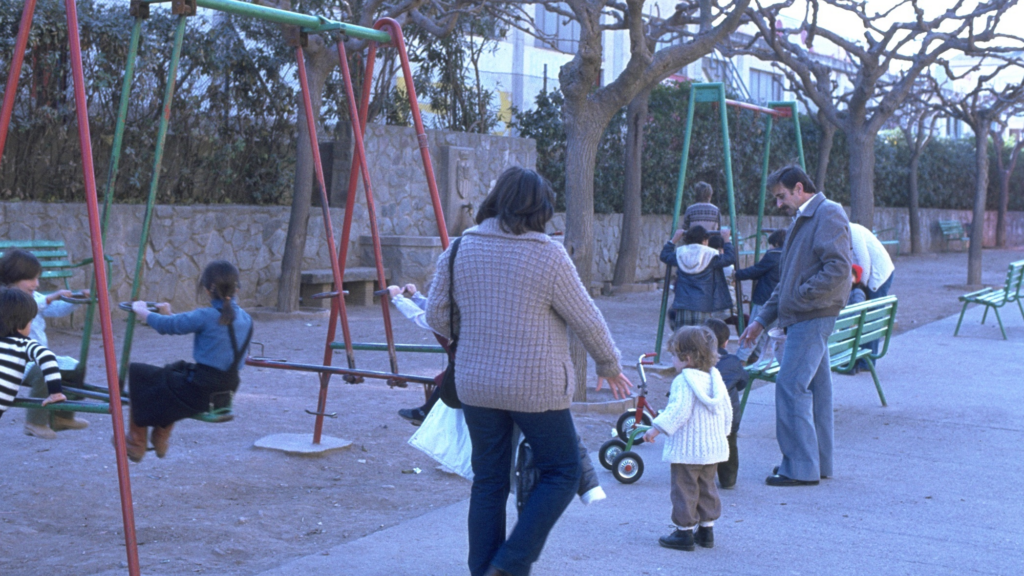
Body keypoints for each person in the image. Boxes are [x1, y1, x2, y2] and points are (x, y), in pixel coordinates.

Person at [425, 166, 631, 576]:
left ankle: (484, 569)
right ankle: (511, 561)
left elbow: (435, 314)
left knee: (489, 482)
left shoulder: (461, 247)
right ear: (541, 207)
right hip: (536, 386)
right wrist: (609, 364)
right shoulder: (548, 253)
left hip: (476, 384)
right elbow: (586, 318)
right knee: (563, 470)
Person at [389, 282, 607, 506]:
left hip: (485, 383)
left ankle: (566, 489)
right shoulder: (476, 310)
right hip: (514, 375)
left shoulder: (453, 320)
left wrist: (399, 299)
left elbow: (424, 318)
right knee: (553, 429)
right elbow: (431, 312)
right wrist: (416, 297)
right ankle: (588, 486)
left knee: (515, 449)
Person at [739, 165, 851, 487]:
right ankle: (817, 463)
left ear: (799, 188)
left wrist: (802, 297)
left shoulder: (827, 213)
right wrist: (761, 320)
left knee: (790, 387)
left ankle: (799, 468)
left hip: (812, 315)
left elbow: (838, 268)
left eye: (781, 196)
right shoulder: (805, 219)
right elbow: (787, 281)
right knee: (816, 391)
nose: (778, 204)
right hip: (808, 313)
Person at [125, 261, 253, 463]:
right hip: (225, 392)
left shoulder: (207, 315)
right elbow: (184, 324)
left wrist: (142, 311)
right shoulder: (246, 318)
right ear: (237, 288)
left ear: (206, 289)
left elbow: (168, 326)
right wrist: (169, 314)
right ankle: (160, 436)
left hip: (200, 391)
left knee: (139, 373)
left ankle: (136, 441)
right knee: (172, 372)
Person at [643, 326, 732, 552]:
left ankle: (683, 533)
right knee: (706, 486)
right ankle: (706, 530)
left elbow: (678, 412)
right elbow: (727, 410)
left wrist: (655, 429)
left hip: (688, 449)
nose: (672, 360)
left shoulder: (683, 381)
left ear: (687, 358)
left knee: (684, 489)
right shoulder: (715, 378)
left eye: (674, 355)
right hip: (712, 448)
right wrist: (722, 434)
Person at [0, 248, 89, 439]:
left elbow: (54, 309)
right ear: (14, 277)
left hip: (37, 356)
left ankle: (62, 416)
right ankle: (34, 422)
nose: (36, 284)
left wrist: (76, 301)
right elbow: (35, 306)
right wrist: (50, 297)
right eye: (31, 279)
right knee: (43, 369)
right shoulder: (4, 298)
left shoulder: (35, 297)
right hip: (14, 361)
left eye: (37, 278)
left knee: (75, 367)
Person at [0, 288, 67, 420]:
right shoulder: (23, 344)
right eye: (30, 321)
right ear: (20, 325)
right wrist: (55, 392)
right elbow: (47, 357)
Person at [660, 225, 735, 330]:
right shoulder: (711, 255)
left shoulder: (680, 253)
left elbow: (664, 255)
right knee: (700, 340)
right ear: (705, 240)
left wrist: (673, 240)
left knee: (682, 339)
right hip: (703, 305)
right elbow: (730, 258)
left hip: (682, 304)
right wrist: (726, 240)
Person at [703, 318, 747, 489]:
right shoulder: (734, 362)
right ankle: (728, 479)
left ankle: (705, 475)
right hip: (729, 418)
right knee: (730, 448)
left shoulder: (700, 363)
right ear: (726, 342)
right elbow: (743, 381)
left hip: (707, 417)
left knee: (706, 446)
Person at [734, 229, 785, 364]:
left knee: (753, 330)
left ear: (776, 243)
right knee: (766, 331)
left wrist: (737, 274)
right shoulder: (792, 255)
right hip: (781, 302)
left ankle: (740, 360)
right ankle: (754, 358)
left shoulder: (773, 255)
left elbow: (756, 270)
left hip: (765, 299)